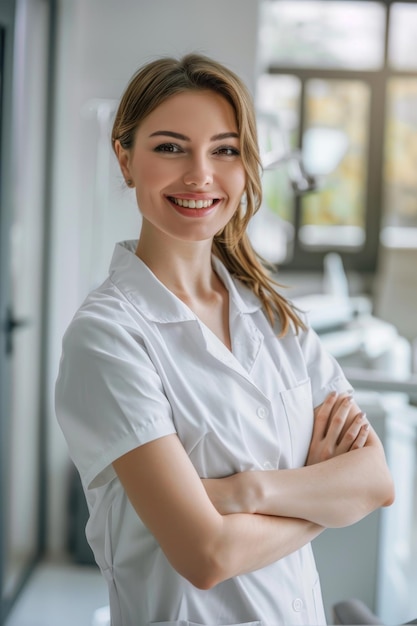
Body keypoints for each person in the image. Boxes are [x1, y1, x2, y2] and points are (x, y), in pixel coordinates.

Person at [55, 53, 394, 626]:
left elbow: (374, 482)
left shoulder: (274, 314)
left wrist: (245, 493)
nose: (200, 174)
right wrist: (323, 500)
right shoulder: (107, 337)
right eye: (169, 147)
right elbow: (206, 555)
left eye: (225, 149)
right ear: (125, 157)